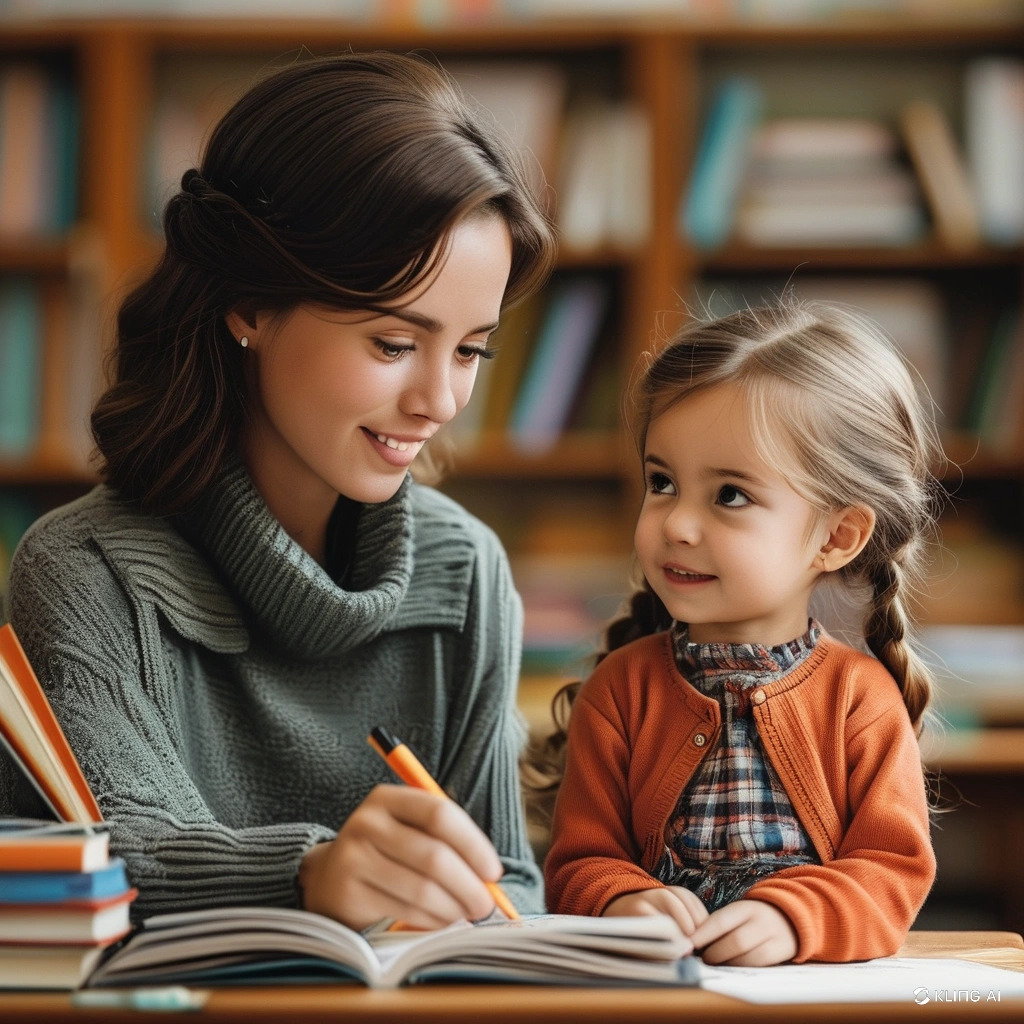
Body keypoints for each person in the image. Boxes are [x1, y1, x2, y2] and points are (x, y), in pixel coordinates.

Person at [0, 51, 556, 931]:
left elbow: (511, 891)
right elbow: (105, 855)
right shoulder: (86, 571)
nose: (441, 401)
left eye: (471, 349)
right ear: (251, 306)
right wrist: (309, 874)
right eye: (391, 343)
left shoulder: (469, 575)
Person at [538, 302, 939, 965]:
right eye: (662, 482)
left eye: (728, 495)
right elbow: (580, 864)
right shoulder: (618, 690)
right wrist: (621, 901)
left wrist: (791, 920)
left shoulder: (861, 699)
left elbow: (891, 874)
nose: (676, 525)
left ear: (837, 536)